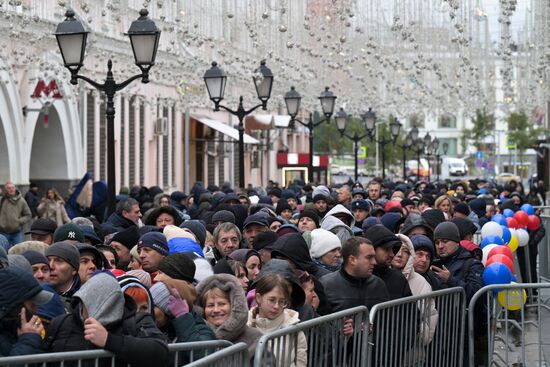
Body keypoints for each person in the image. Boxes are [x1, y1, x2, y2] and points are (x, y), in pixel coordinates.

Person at [44, 273, 169, 367]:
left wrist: (108, 340)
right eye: (85, 302)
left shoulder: (136, 321)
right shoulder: (62, 323)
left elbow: (161, 352)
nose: (87, 310)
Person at [196, 274, 263, 358]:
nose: (216, 310)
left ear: (233, 306)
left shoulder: (254, 338)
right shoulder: (194, 337)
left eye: (221, 304)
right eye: (210, 305)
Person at [248, 273, 307, 367]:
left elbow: (301, 362)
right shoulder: (245, 324)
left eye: (281, 302)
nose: (276, 306)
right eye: (272, 300)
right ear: (258, 298)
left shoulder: (294, 327)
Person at [320, 237, 389, 312]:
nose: (374, 262)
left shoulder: (378, 284)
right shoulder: (326, 284)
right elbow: (319, 320)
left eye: (374, 257)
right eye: (369, 257)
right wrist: (339, 323)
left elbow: (386, 318)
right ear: (352, 260)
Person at [392, 234, 438, 347]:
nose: (399, 254)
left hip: (411, 353)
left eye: (406, 251)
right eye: (395, 249)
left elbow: (429, 322)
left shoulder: (423, 284)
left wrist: (412, 331)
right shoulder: (375, 279)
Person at [0, 266, 52, 356]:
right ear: (16, 307)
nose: (36, 309)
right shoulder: (27, 335)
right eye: (33, 304)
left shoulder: (15, 329)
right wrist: (29, 340)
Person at [364, 224, 413, 299]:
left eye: (393, 249)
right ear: (372, 249)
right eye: (386, 249)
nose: (392, 254)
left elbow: (410, 309)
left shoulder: (398, 278)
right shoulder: (358, 277)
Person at [45, 242, 81, 310]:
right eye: (48, 260)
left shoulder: (82, 298)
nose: (50, 266)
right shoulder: (37, 295)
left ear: (74, 270)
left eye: (59, 261)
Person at [0, 182, 32, 248]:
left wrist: (19, 221)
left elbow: (28, 215)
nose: (11, 189)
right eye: (9, 188)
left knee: (19, 251)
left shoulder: (21, 200)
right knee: (3, 253)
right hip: (3, 232)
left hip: (16, 233)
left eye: (12, 187)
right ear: (5, 190)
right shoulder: (2, 200)